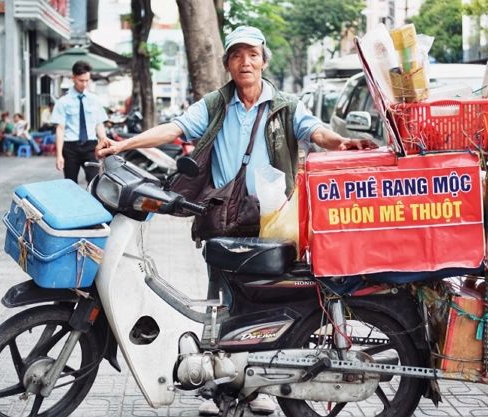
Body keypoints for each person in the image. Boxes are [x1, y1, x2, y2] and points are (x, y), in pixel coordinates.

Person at [96, 25, 373, 416]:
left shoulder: (285, 106)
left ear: (263, 61)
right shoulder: (215, 105)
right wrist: (124, 144)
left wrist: (340, 143)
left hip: (272, 221)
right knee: (220, 303)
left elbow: (316, 131)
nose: (246, 62)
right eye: (238, 55)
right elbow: (174, 129)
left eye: (253, 55)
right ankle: (224, 385)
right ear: (227, 63)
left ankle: (261, 385)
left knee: (264, 305)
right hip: (224, 219)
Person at [52, 60, 109, 184]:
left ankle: (92, 204)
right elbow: (60, 129)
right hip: (70, 147)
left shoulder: (95, 100)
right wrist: (59, 155)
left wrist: (104, 142)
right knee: (70, 184)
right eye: (80, 80)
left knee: (95, 182)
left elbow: (99, 124)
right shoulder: (63, 102)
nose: (84, 84)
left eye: (87, 80)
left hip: (90, 146)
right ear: (73, 78)